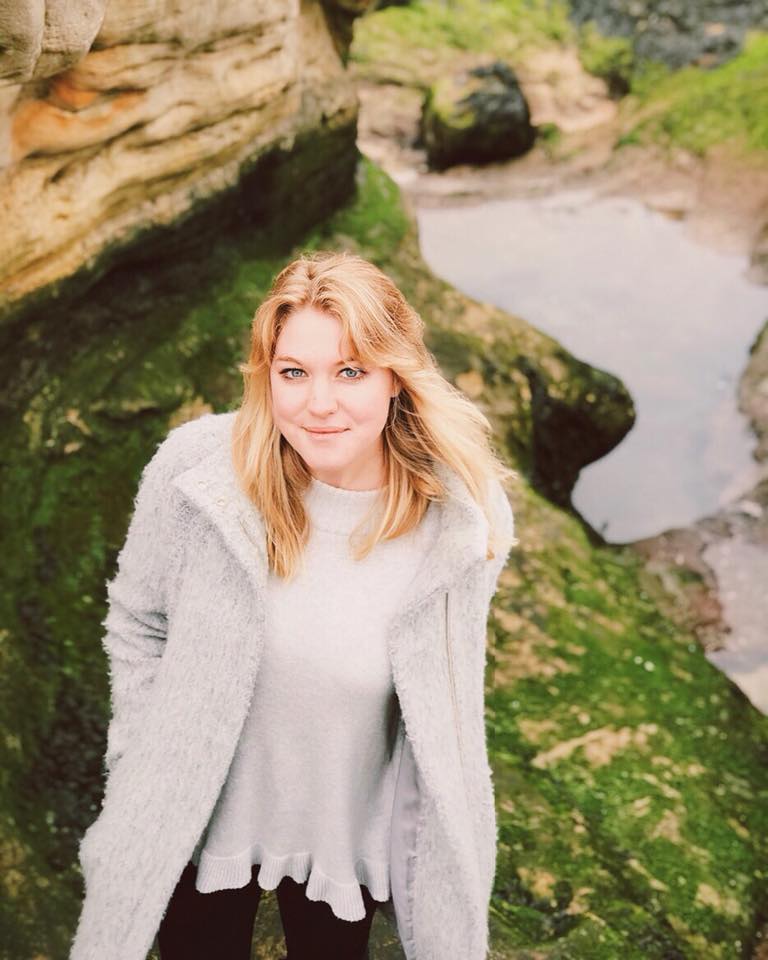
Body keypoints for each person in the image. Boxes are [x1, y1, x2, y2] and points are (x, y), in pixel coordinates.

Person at [69, 250, 517, 960]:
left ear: (396, 376)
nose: (319, 404)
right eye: (294, 373)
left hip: (344, 830)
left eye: (350, 371)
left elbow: (449, 695)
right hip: (199, 816)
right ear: (266, 375)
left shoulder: (462, 520)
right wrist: (139, 760)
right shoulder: (196, 474)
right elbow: (138, 619)